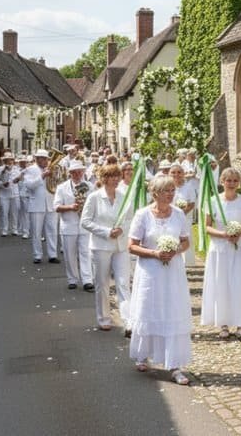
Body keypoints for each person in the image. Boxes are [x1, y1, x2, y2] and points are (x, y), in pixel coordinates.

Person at [127, 176, 192, 385]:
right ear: (155, 194)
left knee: (172, 310)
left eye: (173, 190)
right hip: (150, 271)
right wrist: (155, 253)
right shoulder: (143, 215)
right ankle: (142, 354)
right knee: (148, 310)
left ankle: (174, 364)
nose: (171, 194)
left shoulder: (179, 214)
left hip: (172, 272)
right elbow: (132, 246)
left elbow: (185, 242)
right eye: (166, 191)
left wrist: (175, 251)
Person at [201, 168, 241, 341]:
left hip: (238, 247)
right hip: (219, 248)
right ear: (222, 181)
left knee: (239, 283)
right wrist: (224, 234)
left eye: (235, 180)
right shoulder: (212, 201)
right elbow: (207, 226)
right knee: (221, 282)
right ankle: (223, 324)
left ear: (238, 183)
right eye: (228, 180)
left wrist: (239, 233)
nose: (231, 184)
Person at [81, 164, 135, 333]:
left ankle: (128, 321)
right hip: (100, 246)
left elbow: (130, 219)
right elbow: (85, 221)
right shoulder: (94, 197)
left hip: (120, 246)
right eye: (111, 176)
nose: (115, 179)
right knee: (102, 283)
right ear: (104, 179)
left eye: (117, 176)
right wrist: (106, 232)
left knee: (123, 283)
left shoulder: (124, 196)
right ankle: (104, 318)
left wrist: (121, 231)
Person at [54, 161, 94, 291]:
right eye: (75, 172)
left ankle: (87, 280)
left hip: (84, 225)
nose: (77, 174)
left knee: (85, 252)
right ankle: (72, 279)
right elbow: (56, 207)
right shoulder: (62, 187)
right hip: (68, 225)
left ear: (83, 172)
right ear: (70, 173)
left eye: (80, 172)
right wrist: (70, 207)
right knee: (70, 254)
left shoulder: (89, 186)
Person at [23, 149, 60, 264]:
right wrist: (42, 176)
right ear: (36, 159)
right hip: (36, 204)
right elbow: (29, 185)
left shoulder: (52, 168)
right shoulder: (30, 169)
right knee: (36, 232)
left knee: (52, 230)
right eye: (42, 158)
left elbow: (58, 183)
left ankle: (52, 255)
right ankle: (37, 255)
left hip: (50, 203)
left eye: (46, 158)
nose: (45, 161)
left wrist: (55, 176)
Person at [170, 164, 199, 265]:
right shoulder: (168, 186)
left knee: (186, 237)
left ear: (183, 174)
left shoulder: (188, 187)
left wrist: (181, 213)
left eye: (179, 172)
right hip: (169, 217)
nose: (176, 174)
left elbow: (191, 203)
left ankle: (188, 263)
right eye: (173, 172)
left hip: (185, 217)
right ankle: (173, 259)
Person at [0, 153, 21, 237]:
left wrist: (18, 180)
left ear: (12, 160)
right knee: (4, 213)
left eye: (10, 159)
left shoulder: (17, 169)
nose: (9, 161)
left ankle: (15, 229)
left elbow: (21, 179)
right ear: (4, 160)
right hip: (4, 194)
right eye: (6, 159)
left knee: (15, 212)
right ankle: (4, 230)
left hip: (15, 193)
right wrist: (2, 184)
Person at [16, 155, 31, 238]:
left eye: (24, 162)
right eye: (21, 162)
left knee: (26, 213)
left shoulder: (29, 170)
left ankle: (26, 231)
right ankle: (20, 229)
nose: (22, 163)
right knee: (19, 212)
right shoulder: (17, 170)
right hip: (18, 194)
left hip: (26, 194)